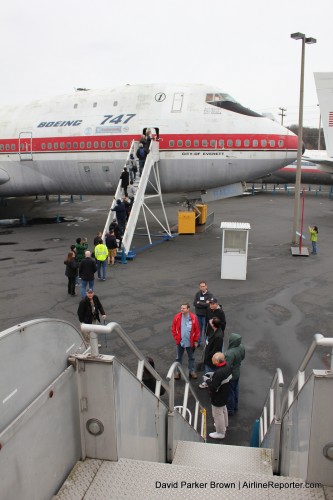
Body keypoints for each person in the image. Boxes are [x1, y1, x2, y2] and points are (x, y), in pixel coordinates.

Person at [206, 352, 232, 439]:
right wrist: (214, 376)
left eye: (213, 358)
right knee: (223, 409)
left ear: (217, 361)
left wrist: (207, 380)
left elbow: (213, 387)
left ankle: (220, 432)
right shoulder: (227, 367)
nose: (212, 359)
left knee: (217, 414)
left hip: (218, 396)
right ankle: (224, 425)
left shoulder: (219, 372)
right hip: (225, 393)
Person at [171, 302, 200, 379]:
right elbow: (173, 329)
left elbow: (197, 330)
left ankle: (192, 371)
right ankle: (177, 371)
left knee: (191, 357)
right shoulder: (177, 317)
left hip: (190, 342)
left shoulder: (193, 318)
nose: (182, 310)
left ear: (188, 309)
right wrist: (177, 338)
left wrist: (196, 340)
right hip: (180, 342)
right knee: (178, 358)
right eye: (181, 308)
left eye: (183, 308)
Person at [199, 317, 224, 388]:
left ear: (213, 325)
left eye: (211, 321)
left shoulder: (218, 336)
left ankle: (207, 383)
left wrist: (208, 357)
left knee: (209, 371)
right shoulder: (216, 331)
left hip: (211, 358)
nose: (210, 321)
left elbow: (215, 349)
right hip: (210, 356)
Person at [225, 333, 245, 416]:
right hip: (237, 372)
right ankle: (235, 405)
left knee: (230, 392)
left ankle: (230, 409)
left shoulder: (230, 353)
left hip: (231, 375)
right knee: (235, 388)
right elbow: (243, 357)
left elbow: (227, 366)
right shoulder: (241, 347)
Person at [193, 281, 214, 345]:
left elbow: (208, 305)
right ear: (199, 287)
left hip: (205, 316)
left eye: (203, 286)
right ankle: (199, 342)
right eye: (201, 286)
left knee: (206, 329)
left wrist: (199, 303)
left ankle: (206, 343)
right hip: (198, 315)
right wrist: (204, 303)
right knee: (198, 329)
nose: (202, 287)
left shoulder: (210, 295)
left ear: (206, 286)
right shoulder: (197, 294)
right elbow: (194, 303)